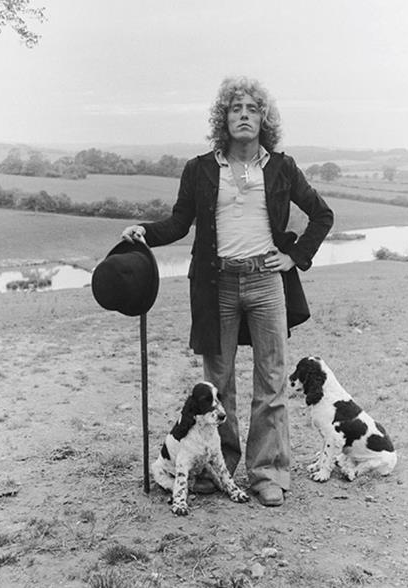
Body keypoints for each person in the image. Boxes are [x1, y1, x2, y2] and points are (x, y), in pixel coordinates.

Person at [121, 76, 333, 506]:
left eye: (252, 109)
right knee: (218, 384)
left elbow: (322, 215)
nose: (243, 116)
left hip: (266, 280)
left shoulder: (282, 167)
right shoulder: (200, 168)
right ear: (224, 118)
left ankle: (268, 473)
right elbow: (180, 222)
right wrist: (146, 231)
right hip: (216, 284)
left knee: (272, 381)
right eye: (235, 108)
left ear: (263, 119)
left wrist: (295, 257)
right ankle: (220, 470)